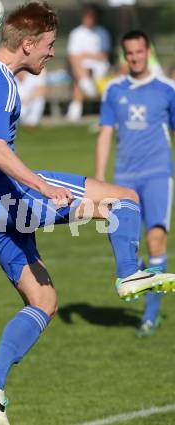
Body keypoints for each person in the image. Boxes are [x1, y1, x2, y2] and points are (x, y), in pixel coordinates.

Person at [0, 3, 175, 424]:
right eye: (47, 45)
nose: (50, 53)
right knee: (123, 200)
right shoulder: (2, 85)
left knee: (43, 300)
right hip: (2, 190)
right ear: (26, 44)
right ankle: (129, 273)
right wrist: (43, 187)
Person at [95, 30, 175, 338]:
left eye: (139, 52)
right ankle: (139, 272)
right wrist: (99, 177)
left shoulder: (168, 89)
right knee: (126, 244)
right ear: (123, 55)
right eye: (129, 53)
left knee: (156, 239)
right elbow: (104, 133)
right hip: (124, 179)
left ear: (148, 51)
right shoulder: (114, 90)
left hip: (157, 174)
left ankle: (149, 317)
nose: (135, 57)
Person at [66, 3, 111, 121]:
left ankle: (105, 112)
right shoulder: (76, 33)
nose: (90, 19)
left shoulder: (103, 32)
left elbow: (104, 55)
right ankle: (85, 83)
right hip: (81, 68)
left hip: (99, 67)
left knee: (81, 82)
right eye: (87, 16)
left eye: (92, 16)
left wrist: (86, 54)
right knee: (79, 77)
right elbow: (73, 56)